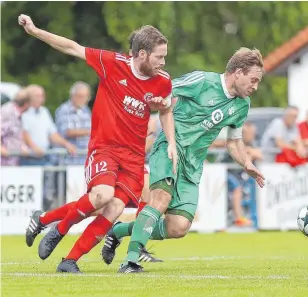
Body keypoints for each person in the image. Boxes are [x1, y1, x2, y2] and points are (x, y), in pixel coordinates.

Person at [19, 14, 176, 273]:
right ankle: (58, 229)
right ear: (142, 54)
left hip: (135, 157)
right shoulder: (112, 63)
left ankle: (68, 260)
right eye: (159, 56)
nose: (163, 62)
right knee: (102, 196)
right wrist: (35, 31)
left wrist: (170, 140)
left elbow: (166, 110)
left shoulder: (163, 81)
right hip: (105, 148)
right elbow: (72, 47)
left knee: (113, 207)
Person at [103, 47, 266, 273]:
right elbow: (164, 89)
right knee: (160, 200)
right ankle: (130, 260)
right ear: (238, 72)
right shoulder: (202, 81)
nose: (255, 86)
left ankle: (118, 231)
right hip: (169, 149)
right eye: (253, 80)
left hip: (192, 165)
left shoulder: (242, 105)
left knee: (178, 227)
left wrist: (246, 163)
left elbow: (233, 142)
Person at [21, 84, 76, 166]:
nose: (41, 98)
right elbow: (24, 134)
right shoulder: (23, 113)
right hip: (28, 159)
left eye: (42, 95)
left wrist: (66, 144)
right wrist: (34, 148)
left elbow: (53, 134)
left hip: (44, 157)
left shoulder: (44, 111)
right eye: (38, 95)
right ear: (29, 97)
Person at [1, 88, 33, 166]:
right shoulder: (8, 113)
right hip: (3, 163)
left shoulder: (17, 115)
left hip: (13, 161)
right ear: (26, 104)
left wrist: (23, 147)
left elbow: (15, 135)